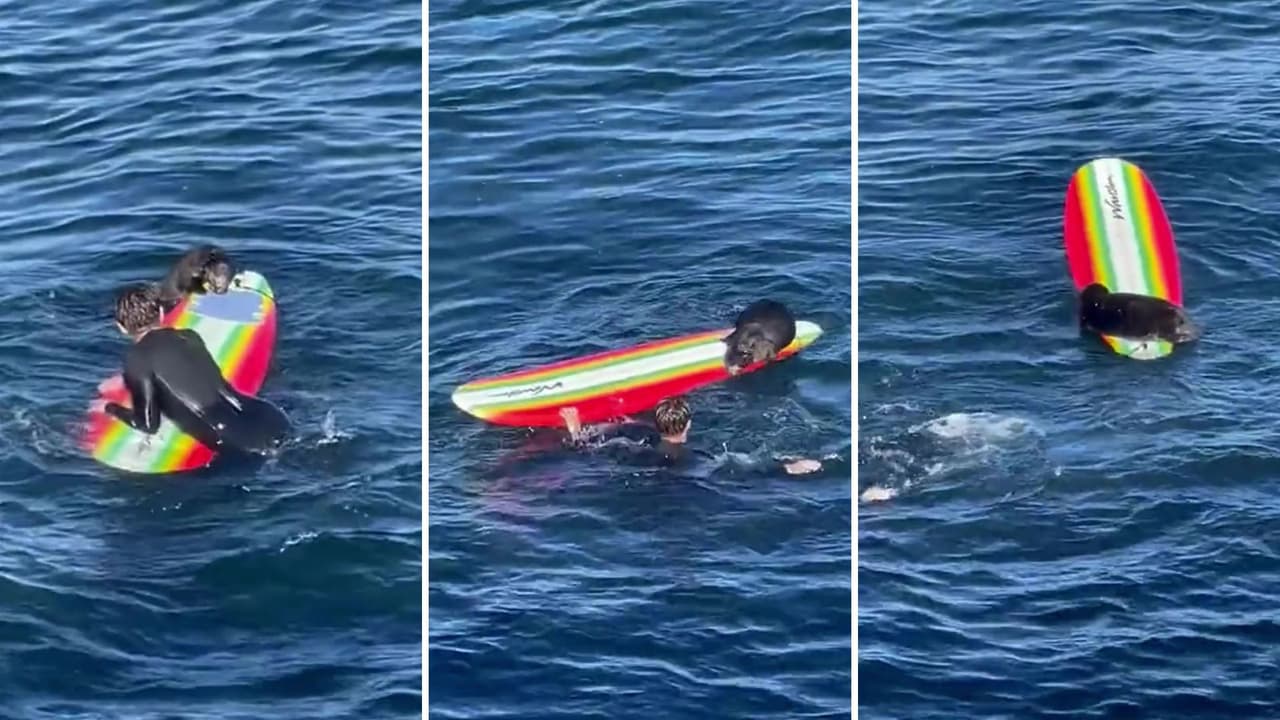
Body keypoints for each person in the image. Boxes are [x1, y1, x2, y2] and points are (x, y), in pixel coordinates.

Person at [94, 283, 289, 455]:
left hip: (236, 441)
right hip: (268, 414)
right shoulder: (189, 336)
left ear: (121, 327)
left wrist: (111, 408)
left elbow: (148, 424)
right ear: (162, 314)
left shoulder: (136, 359)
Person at [558, 395, 823, 476]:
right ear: (689, 425)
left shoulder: (637, 441)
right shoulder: (699, 457)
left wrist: (574, 427)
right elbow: (748, 466)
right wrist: (789, 467)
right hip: (685, 486)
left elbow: (586, 446)